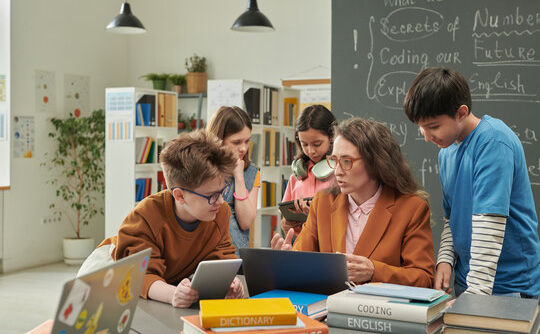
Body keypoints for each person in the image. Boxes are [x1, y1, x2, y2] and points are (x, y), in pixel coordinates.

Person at [404, 67, 540, 298]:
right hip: (469, 282)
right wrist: (445, 260)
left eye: (433, 127)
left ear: (461, 113)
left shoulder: (493, 141)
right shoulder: (446, 151)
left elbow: (489, 224)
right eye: (421, 127)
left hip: (509, 286)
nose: (427, 137)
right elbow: (452, 219)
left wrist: (475, 299)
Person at [81, 130, 244, 308]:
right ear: (180, 196)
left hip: (162, 281)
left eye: (222, 191)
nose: (220, 201)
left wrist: (231, 283)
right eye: (211, 195)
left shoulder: (219, 213)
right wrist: (173, 294)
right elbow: (140, 276)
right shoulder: (145, 216)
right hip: (109, 272)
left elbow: (221, 260)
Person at [272, 118, 435, 288]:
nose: (337, 171)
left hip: (382, 311)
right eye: (334, 160)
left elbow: (424, 278)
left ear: (375, 162)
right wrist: (286, 262)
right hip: (329, 309)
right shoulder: (322, 203)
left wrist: (374, 271)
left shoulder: (412, 208)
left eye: (347, 161)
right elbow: (302, 263)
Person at [207, 106, 260, 255]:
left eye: (247, 141)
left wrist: (239, 177)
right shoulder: (200, 170)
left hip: (235, 260)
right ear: (218, 140)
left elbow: (245, 222)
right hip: (203, 256)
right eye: (236, 142)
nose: (243, 148)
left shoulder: (251, 173)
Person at [281, 105, 337, 237]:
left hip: (330, 243)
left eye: (317, 144)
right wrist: (285, 225)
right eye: (304, 144)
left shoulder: (341, 174)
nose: (311, 151)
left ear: (331, 136)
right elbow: (285, 220)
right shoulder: (296, 177)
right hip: (300, 242)